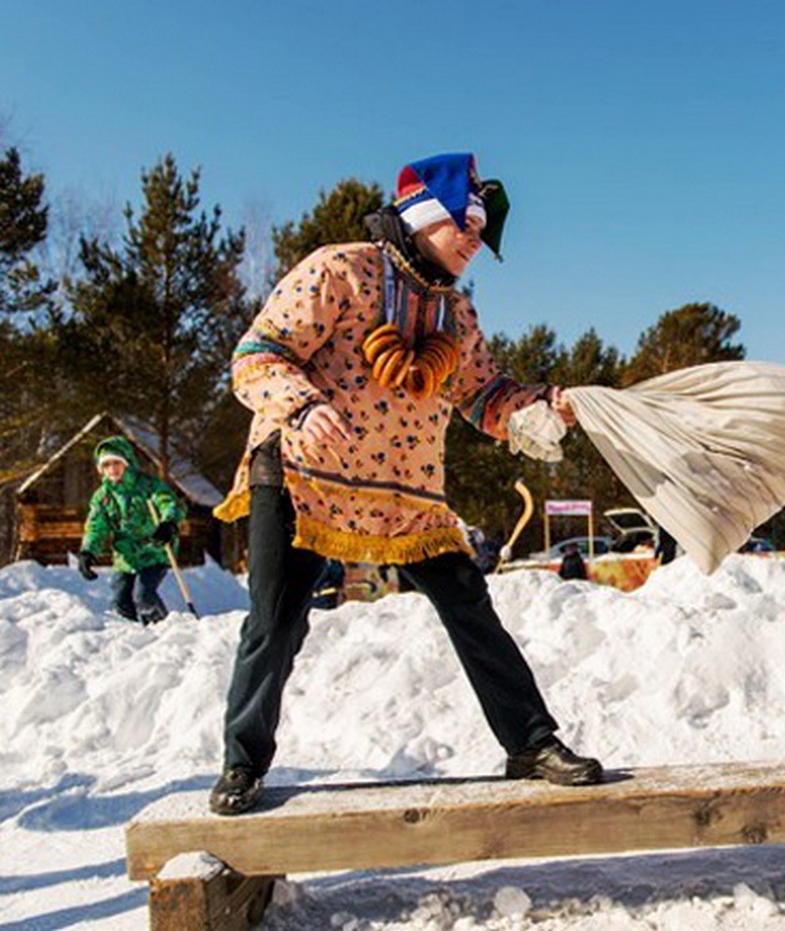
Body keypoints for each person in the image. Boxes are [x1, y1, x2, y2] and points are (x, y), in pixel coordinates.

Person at [208, 152, 604, 814]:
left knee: (469, 606)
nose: (477, 241)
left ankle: (531, 743)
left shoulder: (458, 315)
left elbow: (483, 394)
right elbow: (257, 355)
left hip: (404, 490)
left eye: (481, 229)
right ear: (422, 220)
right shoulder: (340, 270)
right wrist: (303, 406)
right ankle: (242, 763)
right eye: (465, 225)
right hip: (306, 475)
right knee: (275, 621)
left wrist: (541, 404)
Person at [77, 436, 185, 625]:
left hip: (154, 551)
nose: (112, 469)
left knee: (143, 597)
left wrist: (169, 523)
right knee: (120, 602)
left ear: (127, 462)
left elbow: (169, 503)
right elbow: (96, 527)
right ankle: (131, 641)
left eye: (117, 463)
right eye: (107, 464)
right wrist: (88, 551)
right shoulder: (102, 497)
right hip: (125, 558)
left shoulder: (148, 486)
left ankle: (165, 631)